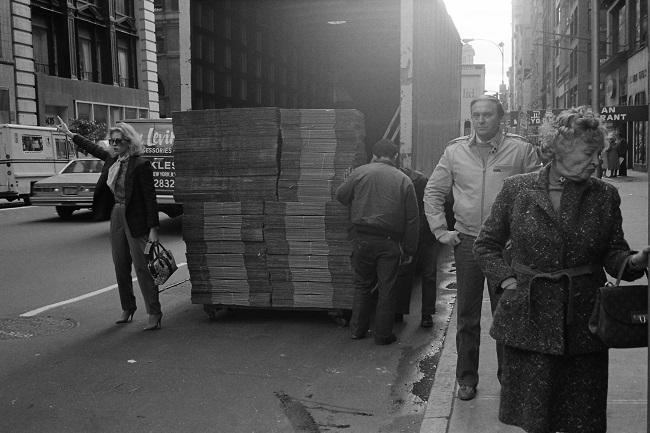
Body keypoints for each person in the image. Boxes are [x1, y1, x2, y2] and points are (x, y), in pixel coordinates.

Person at [473, 106, 650, 433]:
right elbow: (485, 245)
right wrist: (509, 281)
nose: (596, 161)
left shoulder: (605, 196)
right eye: (588, 152)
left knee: (582, 416)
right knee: (534, 417)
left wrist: (632, 262)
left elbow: (613, 251)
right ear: (560, 148)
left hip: (585, 322)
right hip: (530, 316)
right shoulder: (517, 190)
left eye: (597, 153)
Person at [423, 95, 540, 401]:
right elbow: (434, 191)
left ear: (500, 118)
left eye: (488, 115)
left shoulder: (521, 150)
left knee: (507, 314)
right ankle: (466, 378)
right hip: (468, 244)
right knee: (467, 316)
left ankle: (509, 380)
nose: (481, 120)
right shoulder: (455, 151)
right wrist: (440, 230)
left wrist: (524, 234)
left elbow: (540, 195)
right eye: (476, 115)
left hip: (507, 247)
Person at [56, 116, 163, 331]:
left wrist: (153, 228)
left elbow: (150, 199)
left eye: (118, 141)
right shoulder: (112, 160)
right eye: (112, 141)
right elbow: (93, 148)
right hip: (117, 213)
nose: (113, 145)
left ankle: (154, 312)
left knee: (142, 267)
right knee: (120, 265)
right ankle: (128, 307)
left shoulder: (141, 165)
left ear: (129, 143)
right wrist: (71, 135)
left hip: (136, 217)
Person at [336, 139, 419, 345]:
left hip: (363, 239)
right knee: (386, 288)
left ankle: (357, 330)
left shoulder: (360, 172)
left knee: (362, 285)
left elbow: (341, 196)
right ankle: (383, 335)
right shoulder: (404, 180)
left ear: (374, 155)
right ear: (395, 157)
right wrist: (409, 249)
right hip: (390, 243)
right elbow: (412, 219)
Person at [399, 166, 440, 327]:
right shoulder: (405, 179)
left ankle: (425, 313)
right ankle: (411, 312)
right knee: (415, 273)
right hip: (417, 232)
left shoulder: (419, 180)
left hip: (424, 233)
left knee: (421, 273)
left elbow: (428, 206)